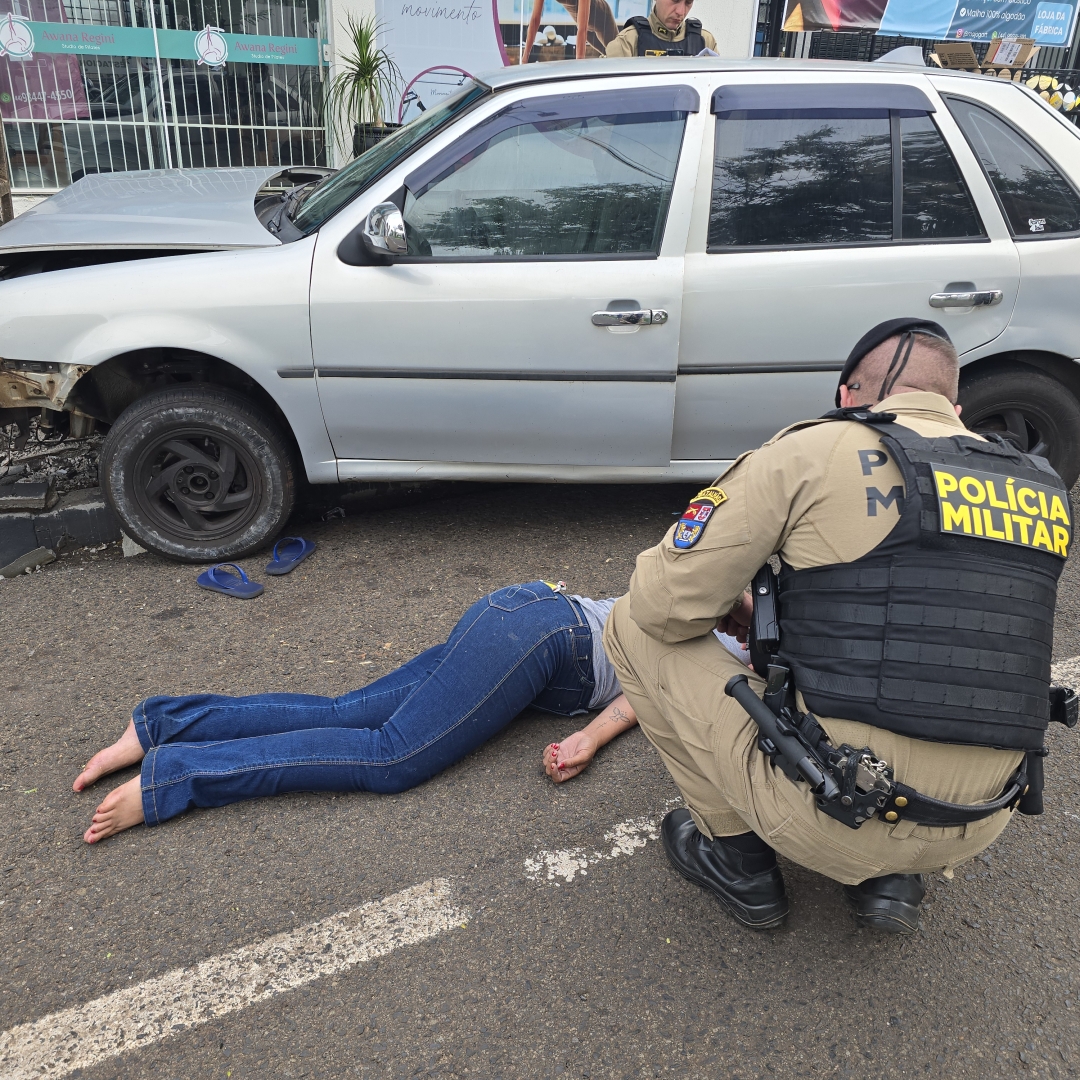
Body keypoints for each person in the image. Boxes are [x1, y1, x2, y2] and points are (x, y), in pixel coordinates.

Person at [603, 318, 1073, 935]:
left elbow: (663, 605)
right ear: (954, 410)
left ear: (849, 394)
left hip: (838, 807)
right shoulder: (1041, 486)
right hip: (983, 818)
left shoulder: (814, 450)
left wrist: (727, 603)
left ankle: (738, 861)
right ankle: (892, 879)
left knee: (630, 625)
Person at [75, 581, 638, 842]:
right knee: (389, 758)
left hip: (525, 616)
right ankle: (176, 778)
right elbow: (656, 678)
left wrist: (593, 734)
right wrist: (594, 735)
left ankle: (162, 724)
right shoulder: (699, 612)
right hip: (542, 642)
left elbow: (653, 680)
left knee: (346, 714)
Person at [603, 0, 717, 57]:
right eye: (675, 0)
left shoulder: (705, 41)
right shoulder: (628, 41)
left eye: (688, 2)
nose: (681, 12)